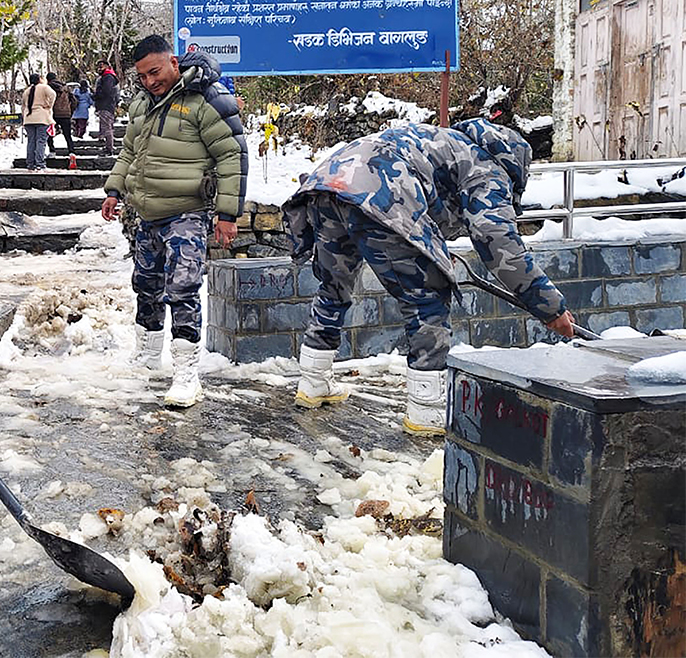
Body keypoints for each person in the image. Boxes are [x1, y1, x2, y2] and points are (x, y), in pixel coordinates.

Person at [281, 118, 577, 434]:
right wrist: (549, 307)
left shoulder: (448, 141)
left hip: (328, 184)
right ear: (518, 167)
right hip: (379, 189)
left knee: (333, 286)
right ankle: (427, 409)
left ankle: (313, 382)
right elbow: (498, 242)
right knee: (427, 298)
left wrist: (429, 246)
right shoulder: (489, 169)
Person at [101, 35, 246, 408]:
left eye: (155, 72)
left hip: (187, 212)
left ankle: (186, 374)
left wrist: (228, 213)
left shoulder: (207, 99)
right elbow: (129, 151)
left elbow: (231, 155)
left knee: (182, 289)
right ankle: (148, 358)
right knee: (145, 286)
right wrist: (114, 189)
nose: (150, 81)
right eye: (142, 76)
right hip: (146, 213)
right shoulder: (141, 104)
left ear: (173, 61)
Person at [20, 72, 55, 171]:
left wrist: (24, 116)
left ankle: (30, 163)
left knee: (31, 141)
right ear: (39, 79)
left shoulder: (26, 91)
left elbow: (23, 106)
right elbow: (53, 94)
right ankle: (40, 163)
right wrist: (49, 105)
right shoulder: (44, 87)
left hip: (28, 118)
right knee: (41, 141)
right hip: (41, 117)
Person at [92, 59, 121, 155]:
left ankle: (109, 148)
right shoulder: (106, 77)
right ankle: (108, 146)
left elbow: (106, 92)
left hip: (106, 104)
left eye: (102, 65)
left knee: (107, 127)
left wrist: (96, 95)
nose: (99, 68)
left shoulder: (108, 77)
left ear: (107, 67)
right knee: (107, 126)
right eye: (98, 66)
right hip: (106, 105)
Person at [48, 72, 75, 154]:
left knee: (50, 134)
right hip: (65, 114)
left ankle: (52, 151)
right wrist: (70, 111)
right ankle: (71, 151)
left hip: (53, 114)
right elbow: (74, 101)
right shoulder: (66, 88)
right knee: (67, 135)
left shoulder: (48, 88)